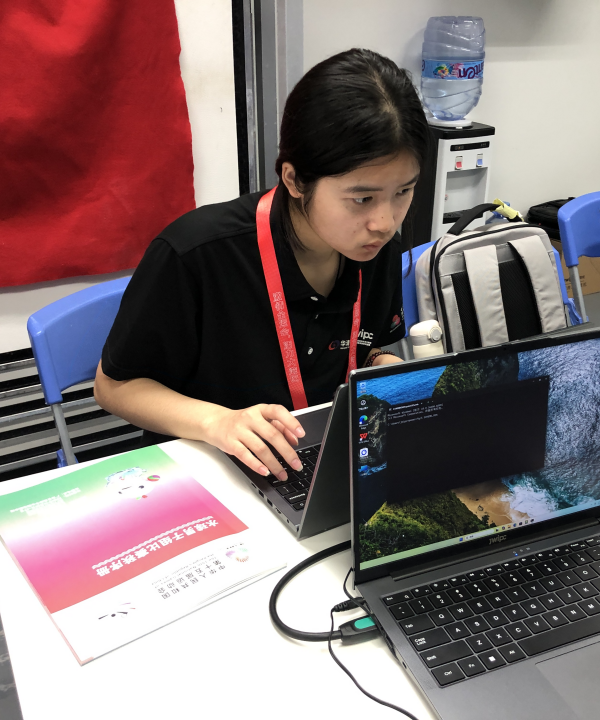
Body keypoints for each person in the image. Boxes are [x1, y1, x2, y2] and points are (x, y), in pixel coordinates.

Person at [94, 48, 430, 484]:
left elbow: (365, 346)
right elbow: (113, 387)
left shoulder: (376, 248)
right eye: (362, 198)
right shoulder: (196, 254)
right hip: (208, 471)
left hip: (319, 464)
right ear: (295, 180)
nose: (384, 222)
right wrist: (218, 422)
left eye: (403, 192)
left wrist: (386, 369)